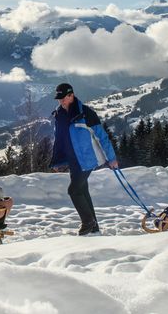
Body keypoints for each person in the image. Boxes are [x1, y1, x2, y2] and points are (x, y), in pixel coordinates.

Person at [49, 83, 118, 236]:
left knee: (73, 190)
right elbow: (59, 140)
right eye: (59, 98)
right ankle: (94, 227)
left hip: (87, 159)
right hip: (72, 160)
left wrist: (112, 158)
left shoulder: (86, 113)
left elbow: (102, 137)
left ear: (71, 95)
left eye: (63, 98)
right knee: (82, 191)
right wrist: (58, 161)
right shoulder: (59, 114)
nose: (61, 101)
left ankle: (87, 222)